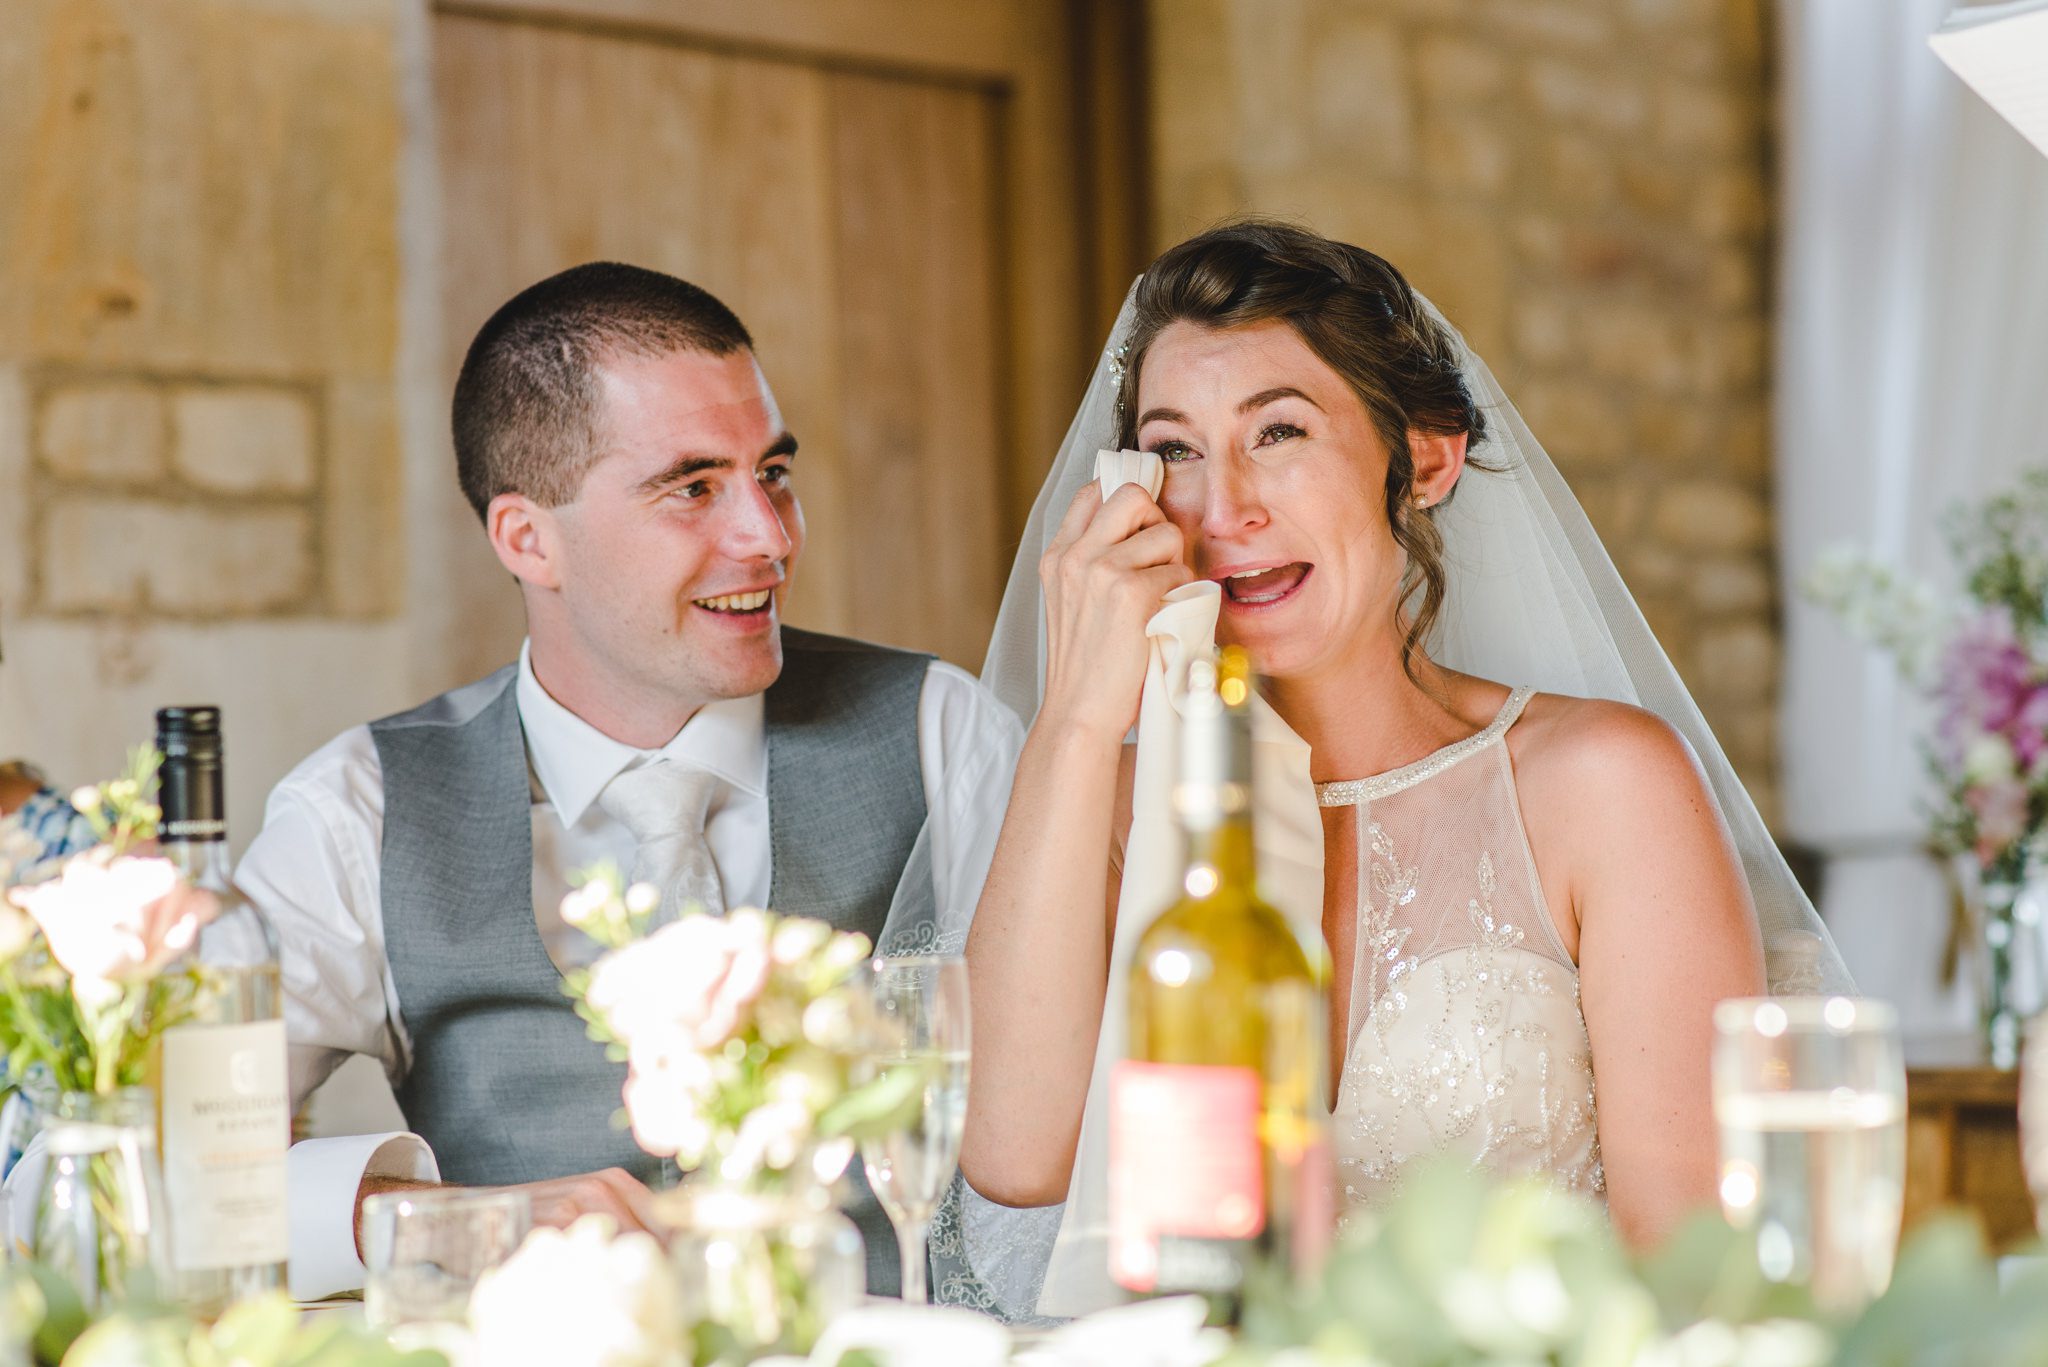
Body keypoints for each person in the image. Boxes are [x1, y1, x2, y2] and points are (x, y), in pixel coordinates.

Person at [955, 221, 1850, 1317]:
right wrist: (1077, 719)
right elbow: (1011, 1154)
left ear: (1422, 460)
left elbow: (1695, 1278)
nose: (1222, 507)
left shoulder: (1599, 784)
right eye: (1175, 449)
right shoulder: (1110, 804)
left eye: (1276, 431)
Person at [236, 263, 1022, 1300]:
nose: (769, 537)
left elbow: (1081, 1104)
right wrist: (442, 1215)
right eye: (693, 488)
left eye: (772, 473)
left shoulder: (937, 728)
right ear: (528, 538)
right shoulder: (358, 810)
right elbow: (147, 1178)